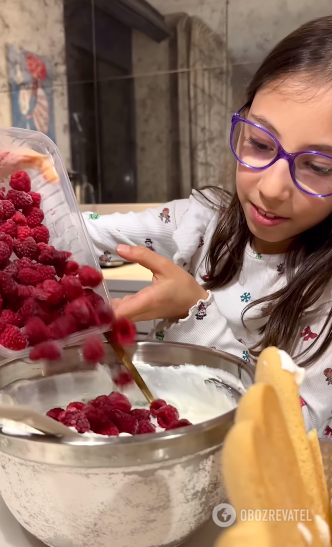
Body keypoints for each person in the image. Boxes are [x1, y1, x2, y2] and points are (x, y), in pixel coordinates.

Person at [83, 16, 332, 436]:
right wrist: (29, 193)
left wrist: (195, 310)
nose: (271, 188)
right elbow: (83, 235)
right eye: (259, 143)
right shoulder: (199, 222)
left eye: (318, 166)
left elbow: (298, 435)